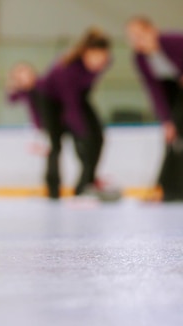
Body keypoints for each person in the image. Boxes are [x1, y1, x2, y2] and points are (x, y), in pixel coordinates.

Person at [126, 16, 183, 202]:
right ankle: (166, 190)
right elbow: (154, 90)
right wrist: (166, 121)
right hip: (172, 92)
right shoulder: (140, 58)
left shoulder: (170, 42)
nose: (137, 41)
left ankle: (182, 192)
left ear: (152, 31)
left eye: (140, 35)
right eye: (132, 37)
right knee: (170, 136)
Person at [34, 28, 112, 200]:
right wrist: (81, 134)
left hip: (79, 95)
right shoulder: (67, 68)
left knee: (98, 137)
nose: (99, 62)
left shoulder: (106, 62)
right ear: (85, 53)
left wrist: (87, 136)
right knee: (56, 144)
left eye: (102, 58)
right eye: (94, 58)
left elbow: (83, 92)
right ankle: (53, 191)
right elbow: (71, 106)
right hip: (50, 99)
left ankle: (85, 184)